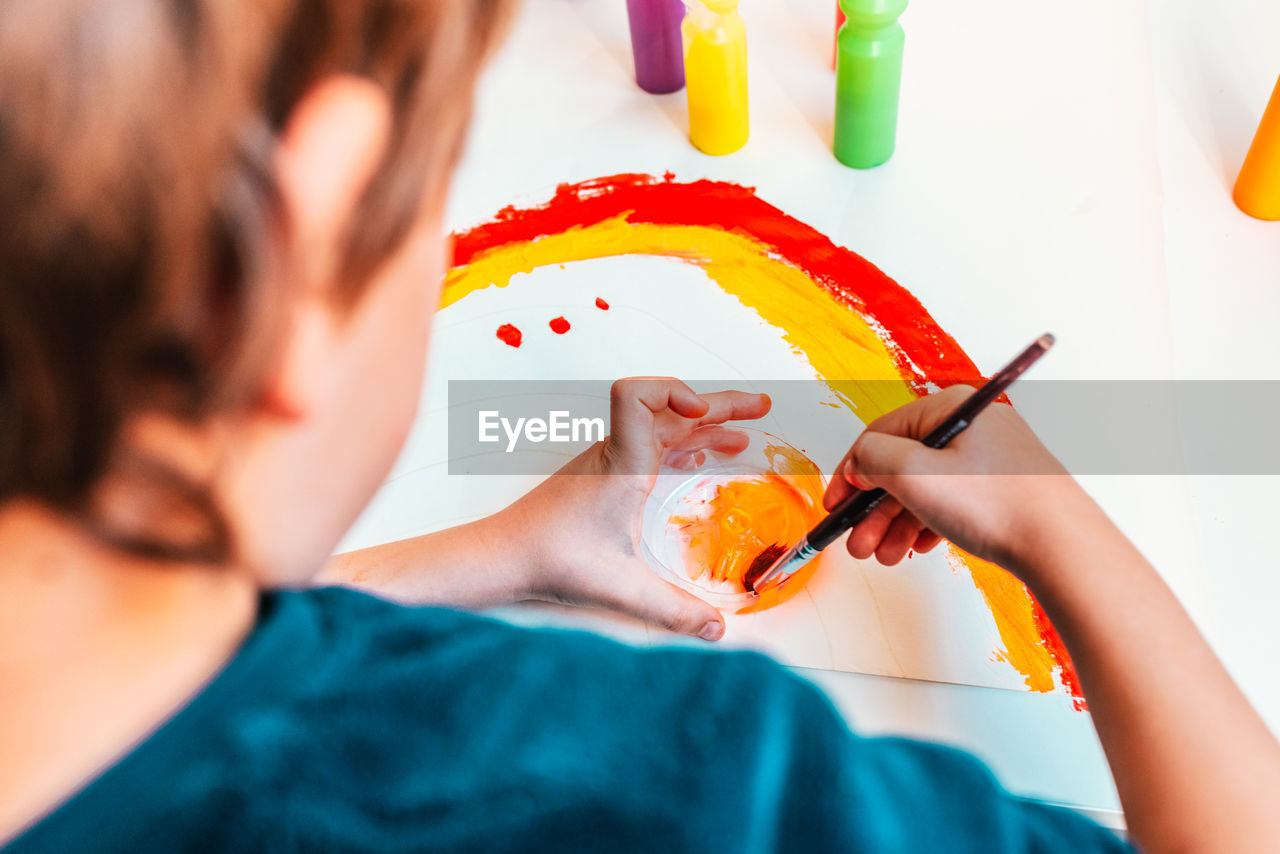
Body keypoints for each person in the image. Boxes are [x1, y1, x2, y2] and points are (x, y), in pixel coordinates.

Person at [1, 1, 1276, 851]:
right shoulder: (681, 777)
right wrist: (1066, 534)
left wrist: (497, 548)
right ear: (301, 234)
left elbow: (162, 669)